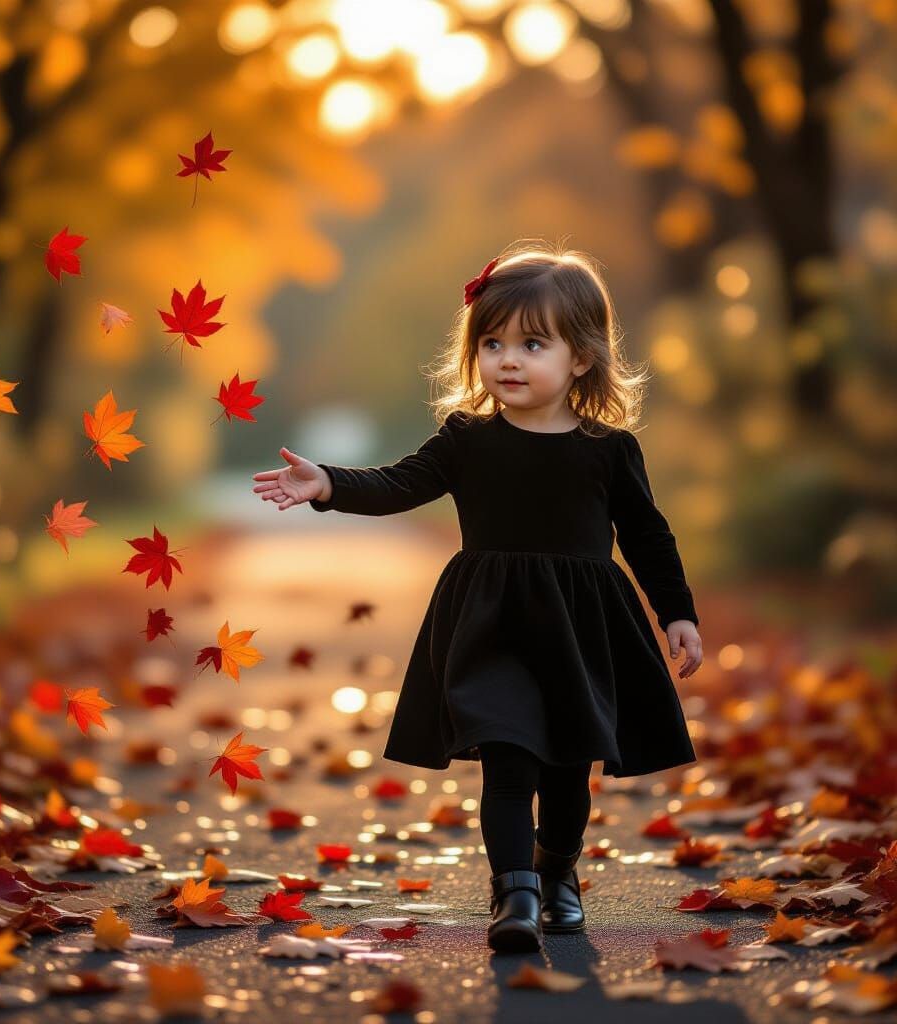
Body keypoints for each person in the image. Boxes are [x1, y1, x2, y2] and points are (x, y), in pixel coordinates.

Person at [251, 239, 704, 954]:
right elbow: (400, 483)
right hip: (490, 626)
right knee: (508, 756)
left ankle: (557, 875)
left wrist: (676, 612)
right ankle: (514, 893)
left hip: (581, 630)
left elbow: (648, 535)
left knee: (565, 776)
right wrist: (330, 484)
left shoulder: (607, 450)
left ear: (580, 357)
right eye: (492, 344)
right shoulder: (467, 440)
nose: (509, 359)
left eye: (532, 343)